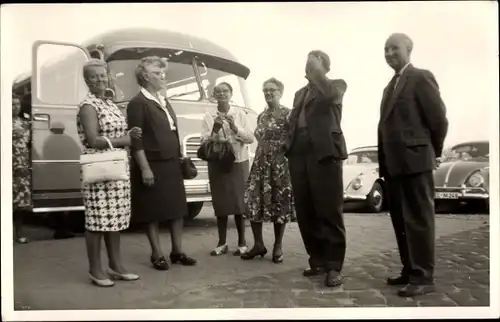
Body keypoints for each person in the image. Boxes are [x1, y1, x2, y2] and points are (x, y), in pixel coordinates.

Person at [377, 33, 448, 297]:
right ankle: (410, 269)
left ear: (409, 49)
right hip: (394, 166)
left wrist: (432, 151)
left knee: (418, 220)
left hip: (416, 161)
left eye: (394, 48)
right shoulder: (390, 86)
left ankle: (423, 277)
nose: (389, 53)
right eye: (385, 49)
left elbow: (438, 120)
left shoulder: (420, 77)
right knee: (402, 221)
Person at [284, 50, 348, 287]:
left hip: (325, 154)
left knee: (329, 211)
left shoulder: (336, 85)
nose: (309, 63)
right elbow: (293, 121)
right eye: (308, 60)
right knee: (306, 211)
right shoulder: (299, 93)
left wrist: (318, 73)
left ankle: (334, 266)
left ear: (325, 67)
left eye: (316, 60)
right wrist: (287, 144)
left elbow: (330, 96)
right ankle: (317, 260)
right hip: (299, 156)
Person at [127, 56, 197, 271]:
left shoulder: (163, 100)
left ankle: (177, 251)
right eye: (157, 73)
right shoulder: (137, 103)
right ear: (145, 77)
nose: (162, 76)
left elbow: (173, 131)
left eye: (162, 72)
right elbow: (135, 139)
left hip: (171, 163)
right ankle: (156, 253)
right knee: (152, 212)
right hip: (152, 164)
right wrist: (145, 167)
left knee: (177, 210)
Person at [77, 59, 141, 287]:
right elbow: (93, 140)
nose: (100, 80)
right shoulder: (88, 105)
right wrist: (125, 140)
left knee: (114, 220)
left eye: (103, 75)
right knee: (96, 221)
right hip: (99, 169)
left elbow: (118, 131)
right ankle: (95, 269)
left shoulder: (109, 102)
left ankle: (116, 265)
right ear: (86, 80)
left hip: (116, 169)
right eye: (94, 76)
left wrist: (129, 133)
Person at [242, 78, 294, 263]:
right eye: (265, 90)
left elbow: (294, 137)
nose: (268, 93)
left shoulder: (288, 114)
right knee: (253, 199)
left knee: (279, 202)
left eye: (272, 90)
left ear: (280, 92)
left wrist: (282, 152)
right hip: (260, 162)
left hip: (279, 164)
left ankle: (278, 245)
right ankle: (258, 244)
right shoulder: (261, 116)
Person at [201, 82, 255, 256]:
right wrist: (216, 127)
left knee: (239, 202)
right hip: (218, 162)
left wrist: (234, 127)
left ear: (231, 94)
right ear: (214, 95)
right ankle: (222, 242)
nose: (222, 94)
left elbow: (249, 138)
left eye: (225, 91)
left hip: (238, 161)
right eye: (218, 92)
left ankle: (242, 242)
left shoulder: (240, 114)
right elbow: (204, 141)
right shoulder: (209, 116)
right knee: (221, 202)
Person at [12, 93, 32, 244]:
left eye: (17, 104)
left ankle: (18, 234)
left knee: (20, 205)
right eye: (12, 104)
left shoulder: (25, 123)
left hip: (21, 167)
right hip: (8, 167)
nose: (15, 107)